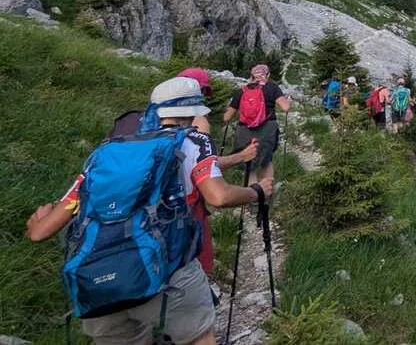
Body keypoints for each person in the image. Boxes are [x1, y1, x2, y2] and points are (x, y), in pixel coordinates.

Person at [26, 77, 273, 345]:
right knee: (199, 338)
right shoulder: (193, 142)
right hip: (167, 273)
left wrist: (37, 220)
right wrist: (256, 192)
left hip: (99, 283)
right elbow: (219, 196)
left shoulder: (105, 153)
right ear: (193, 112)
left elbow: (40, 232)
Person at [223, 64, 290, 187]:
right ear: (267, 75)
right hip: (267, 129)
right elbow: (285, 107)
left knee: (249, 165)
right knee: (266, 161)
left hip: (244, 130)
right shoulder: (273, 88)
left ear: (251, 76)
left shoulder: (241, 91)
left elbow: (227, 117)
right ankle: (266, 195)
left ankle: (252, 198)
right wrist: (287, 102)